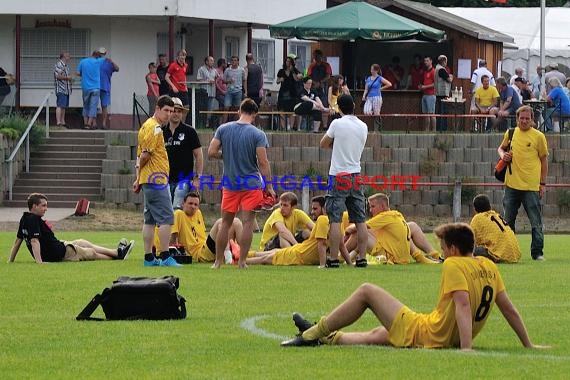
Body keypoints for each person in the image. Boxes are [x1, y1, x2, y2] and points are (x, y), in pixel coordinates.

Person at [281, 223, 546, 351]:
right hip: (436, 331)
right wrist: (528, 344)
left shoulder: (454, 265)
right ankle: (328, 337)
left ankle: (311, 334)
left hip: (427, 334)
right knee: (378, 333)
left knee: (366, 290)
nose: (441, 253)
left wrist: (466, 349)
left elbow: (463, 305)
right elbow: (508, 309)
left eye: (442, 248)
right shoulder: (489, 266)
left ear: (453, 249)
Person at [207, 98, 276, 269]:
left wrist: (228, 155)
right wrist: (269, 186)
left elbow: (211, 152)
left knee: (225, 223)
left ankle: (217, 262)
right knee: (247, 222)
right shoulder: (258, 134)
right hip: (251, 184)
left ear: (239, 111)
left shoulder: (223, 129)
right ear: (255, 114)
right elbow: (263, 162)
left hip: (230, 183)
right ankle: (243, 262)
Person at [8, 193, 133, 264]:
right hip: (61, 254)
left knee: (83, 242)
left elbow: (17, 242)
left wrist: (10, 262)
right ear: (34, 206)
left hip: (60, 246)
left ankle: (117, 252)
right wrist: (40, 263)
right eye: (43, 206)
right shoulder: (33, 219)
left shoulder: (25, 218)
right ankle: (118, 256)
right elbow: (34, 241)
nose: (46, 208)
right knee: (91, 253)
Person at [320, 94, 368, 268]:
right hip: (356, 174)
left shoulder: (337, 124)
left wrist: (336, 143)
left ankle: (333, 259)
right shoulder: (363, 126)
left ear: (338, 107)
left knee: (335, 218)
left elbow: (323, 143)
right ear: (354, 105)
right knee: (360, 219)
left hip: (338, 174)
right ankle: (362, 258)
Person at [133, 95, 180, 267]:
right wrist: (140, 177)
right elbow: (145, 155)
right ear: (157, 109)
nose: (169, 114)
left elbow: (139, 155)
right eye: (166, 110)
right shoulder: (155, 128)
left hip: (148, 178)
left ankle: (149, 258)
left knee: (150, 220)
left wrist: (138, 178)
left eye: (171, 111)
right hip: (156, 178)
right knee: (167, 218)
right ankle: (166, 256)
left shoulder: (145, 126)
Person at [498, 105, 548, 261]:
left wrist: (542, 183)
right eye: (522, 118)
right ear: (517, 118)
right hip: (511, 184)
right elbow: (500, 148)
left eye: (527, 118)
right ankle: (509, 251)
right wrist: (503, 155)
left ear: (532, 119)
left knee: (536, 221)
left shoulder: (539, 137)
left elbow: (544, 160)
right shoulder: (511, 133)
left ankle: (537, 252)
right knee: (508, 221)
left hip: (531, 186)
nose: (524, 121)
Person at [344, 193, 440, 265]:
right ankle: (433, 254)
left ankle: (340, 256)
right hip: (402, 256)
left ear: (382, 206)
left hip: (390, 256)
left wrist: (347, 230)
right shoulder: (397, 214)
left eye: (373, 206)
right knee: (412, 225)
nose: (370, 210)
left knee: (360, 233)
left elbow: (358, 228)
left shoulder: (383, 216)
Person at [158, 191, 243, 263]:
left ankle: (243, 252)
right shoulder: (179, 214)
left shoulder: (198, 213)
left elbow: (201, 235)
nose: (193, 207)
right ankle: (228, 257)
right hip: (200, 253)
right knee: (220, 222)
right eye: (190, 203)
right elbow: (173, 240)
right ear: (183, 204)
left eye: (196, 204)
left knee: (236, 221)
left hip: (207, 246)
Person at [246, 196, 328, 267]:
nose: (281, 208)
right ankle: (242, 257)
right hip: (273, 245)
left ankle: (242, 257)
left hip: (299, 252)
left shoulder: (322, 220)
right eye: (281, 204)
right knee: (272, 252)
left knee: (271, 255)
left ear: (293, 207)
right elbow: (282, 230)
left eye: (285, 205)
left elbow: (321, 240)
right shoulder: (277, 213)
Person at [163, 97, 203, 209]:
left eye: (179, 111)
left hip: (184, 179)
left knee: (177, 209)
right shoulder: (161, 131)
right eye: (173, 111)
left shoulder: (189, 131)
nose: (176, 114)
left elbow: (199, 155)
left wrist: (198, 177)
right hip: (165, 179)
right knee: (166, 210)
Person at [470, 194, 521, 263]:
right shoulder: (496, 215)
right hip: (515, 254)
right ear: (489, 206)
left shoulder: (477, 218)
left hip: (499, 255)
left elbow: (470, 240)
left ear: (475, 209)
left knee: (468, 249)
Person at [76, 50, 104, 129]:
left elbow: (78, 73)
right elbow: (106, 60)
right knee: (93, 107)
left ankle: (85, 123)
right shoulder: (99, 61)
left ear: (92, 54)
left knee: (85, 106)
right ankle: (89, 124)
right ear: (98, 56)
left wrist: (84, 74)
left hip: (86, 87)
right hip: (96, 87)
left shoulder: (83, 61)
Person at [276, 56, 302, 130]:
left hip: (292, 93)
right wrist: (280, 79)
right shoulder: (281, 71)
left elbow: (296, 79)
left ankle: (290, 127)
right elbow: (277, 81)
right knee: (282, 110)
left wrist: (292, 71)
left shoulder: (295, 70)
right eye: (287, 61)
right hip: (283, 92)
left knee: (291, 110)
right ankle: (283, 127)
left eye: (289, 62)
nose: (288, 63)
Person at [98, 47, 119, 129]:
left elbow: (117, 68)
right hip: (97, 86)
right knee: (96, 105)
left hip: (105, 86)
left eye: (103, 54)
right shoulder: (95, 62)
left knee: (104, 105)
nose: (102, 55)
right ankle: (93, 123)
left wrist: (112, 62)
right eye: (101, 53)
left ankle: (103, 123)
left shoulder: (108, 62)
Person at [196, 56, 220, 128]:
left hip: (212, 92)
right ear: (206, 62)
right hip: (204, 92)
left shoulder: (214, 70)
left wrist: (215, 81)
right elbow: (198, 79)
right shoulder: (201, 69)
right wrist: (207, 81)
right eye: (211, 61)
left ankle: (208, 123)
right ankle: (202, 123)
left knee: (210, 108)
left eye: (213, 61)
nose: (212, 62)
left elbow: (218, 77)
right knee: (203, 108)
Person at [434, 55, 454, 131]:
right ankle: (443, 129)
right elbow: (449, 80)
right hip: (443, 94)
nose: (446, 63)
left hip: (438, 93)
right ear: (443, 61)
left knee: (439, 112)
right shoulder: (441, 69)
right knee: (443, 112)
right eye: (446, 62)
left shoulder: (436, 68)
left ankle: (440, 128)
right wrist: (451, 76)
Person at [53, 52, 73, 127]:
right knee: (60, 105)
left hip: (66, 89)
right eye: (68, 56)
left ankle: (63, 121)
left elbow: (66, 76)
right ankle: (58, 122)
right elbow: (57, 76)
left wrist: (70, 79)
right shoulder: (59, 65)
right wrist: (67, 78)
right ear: (63, 57)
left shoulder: (66, 66)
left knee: (64, 106)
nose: (69, 58)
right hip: (61, 89)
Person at [419, 56, 436, 132]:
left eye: (427, 61)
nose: (425, 62)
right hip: (425, 94)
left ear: (431, 61)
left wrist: (425, 86)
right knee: (426, 114)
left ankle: (434, 130)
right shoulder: (425, 72)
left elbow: (435, 84)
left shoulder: (433, 71)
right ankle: (426, 130)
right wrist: (421, 87)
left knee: (431, 114)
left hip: (431, 95)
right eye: (425, 61)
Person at [215, 58, 228, 124]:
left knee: (222, 107)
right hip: (219, 93)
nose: (226, 65)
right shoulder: (217, 71)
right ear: (222, 64)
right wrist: (221, 90)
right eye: (225, 63)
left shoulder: (224, 71)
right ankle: (220, 122)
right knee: (224, 106)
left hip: (225, 93)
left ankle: (221, 122)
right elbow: (216, 82)